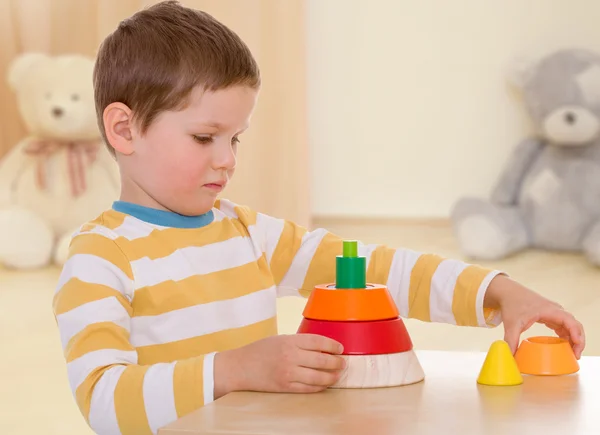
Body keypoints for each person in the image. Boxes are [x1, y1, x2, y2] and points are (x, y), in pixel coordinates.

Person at [52, 1, 586, 434]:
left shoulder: (248, 233)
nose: (227, 159)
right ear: (124, 130)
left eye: (234, 138)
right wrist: (235, 370)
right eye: (203, 137)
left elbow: (373, 271)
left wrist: (498, 292)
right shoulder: (99, 258)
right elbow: (104, 400)